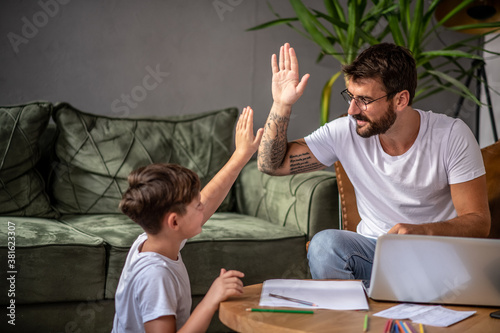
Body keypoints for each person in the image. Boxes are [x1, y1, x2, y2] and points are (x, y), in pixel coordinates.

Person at [257, 42, 491, 283]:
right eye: (351, 96)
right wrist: (282, 105)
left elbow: (478, 221)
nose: (351, 110)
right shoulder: (345, 132)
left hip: (434, 257)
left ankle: (380, 301)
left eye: (364, 100)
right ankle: (353, 313)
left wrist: (421, 232)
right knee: (325, 245)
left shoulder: (451, 135)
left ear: (400, 100)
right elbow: (272, 165)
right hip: (373, 256)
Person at [112, 107, 263, 333]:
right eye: (196, 205)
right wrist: (211, 299)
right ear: (174, 222)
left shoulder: (156, 240)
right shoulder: (155, 276)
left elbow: (208, 199)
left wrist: (240, 156)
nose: (203, 205)